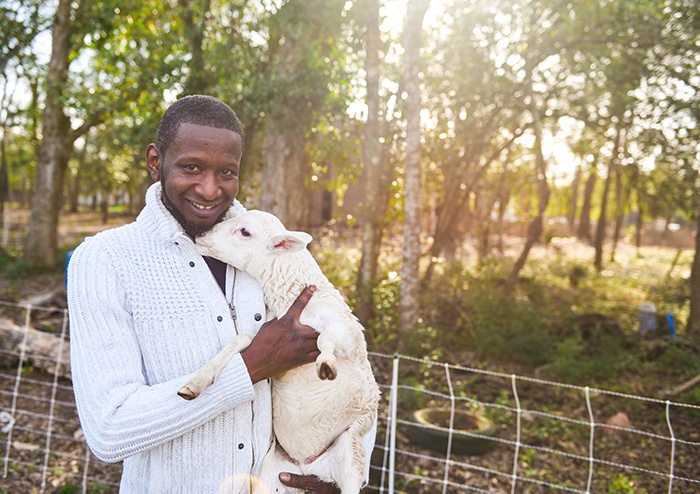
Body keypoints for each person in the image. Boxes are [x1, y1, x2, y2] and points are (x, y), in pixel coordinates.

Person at [67, 95, 374, 493]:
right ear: (156, 161)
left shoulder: (263, 247)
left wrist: (346, 470)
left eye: (227, 171)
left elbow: (353, 363)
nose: (210, 189)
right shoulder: (105, 260)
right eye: (191, 166)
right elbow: (109, 431)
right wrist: (249, 368)